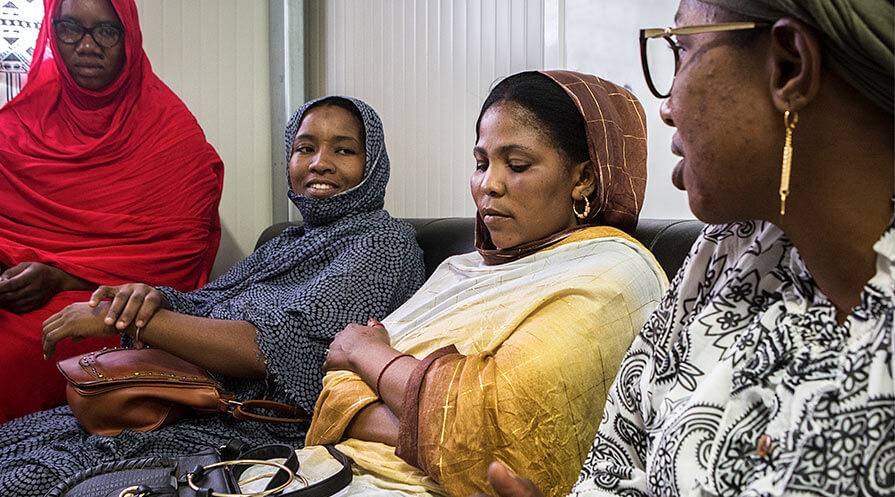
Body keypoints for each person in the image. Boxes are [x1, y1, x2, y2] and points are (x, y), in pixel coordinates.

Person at [481, 0, 894, 496]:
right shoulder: (730, 248)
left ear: (790, 67)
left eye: (684, 51)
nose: (667, 104)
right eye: (480, 161)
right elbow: (614, 469)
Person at [0, 95, 427, 496]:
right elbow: (206, 303)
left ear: (373, 164)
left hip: (249, 425)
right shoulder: (285, 241)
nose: (320, 163)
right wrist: (147, 299)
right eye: (305, 147)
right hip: (181, 401)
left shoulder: (384, 242)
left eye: (344, 150)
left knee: (32, 479)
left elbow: (282, 350)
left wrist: (140, 321)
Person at [298, 70, 668, 496]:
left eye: (517, 165)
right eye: (480, 163)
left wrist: (369, 353)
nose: (488, 185)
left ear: (583, 177)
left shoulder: (613, 276)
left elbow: (498, 438)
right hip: (323, 475)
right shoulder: (462, 269)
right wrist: (431, 419)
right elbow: (337, 383)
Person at [0, 0, 224, 421]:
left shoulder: (170, 132)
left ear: (129, 38)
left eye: (105, 32)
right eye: (70, 29)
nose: (87, 46)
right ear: (51, 31)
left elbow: (178, 255)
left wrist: (59, 275)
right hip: (13, 291)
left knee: (8, 359)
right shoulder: (21, 119)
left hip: (104, 300)